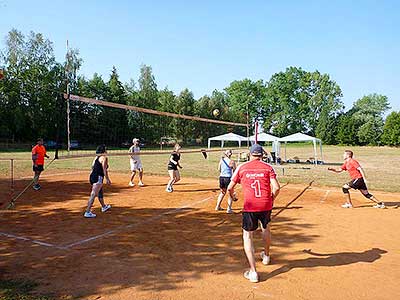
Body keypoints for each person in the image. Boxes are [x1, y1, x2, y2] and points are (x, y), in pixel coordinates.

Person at [227, 144, 280, 283]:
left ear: (250, 154)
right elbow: (276, 187)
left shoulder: (242, 167)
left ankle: (253, 271)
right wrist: (271, 199)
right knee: (266, 227)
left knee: (247, 236)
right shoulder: (268, 167)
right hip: (265, 204)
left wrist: (232, 197)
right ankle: (267, 256)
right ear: (262, 154)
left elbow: (230, 187)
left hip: (250, 206)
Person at [84, 145, 112, 218]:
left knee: (100, 191)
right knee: (93, 194)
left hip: (92, 176)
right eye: (106, 149)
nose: (107, 150)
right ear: (103, 150)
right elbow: (104, 169)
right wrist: (107, 179)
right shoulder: (104, 158)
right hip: (98, 177)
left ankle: (104, 206)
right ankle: (87, 211)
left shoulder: (96, 157)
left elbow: (92, 167)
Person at [215, 149, 237, 213]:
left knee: (222, 192)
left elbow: (219, 169)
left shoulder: (221, 160)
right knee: (230, 193)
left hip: (221, 177)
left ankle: (217, 206)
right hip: (228, 178)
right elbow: (235, 171)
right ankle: (229, 209)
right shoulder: (232, 162)